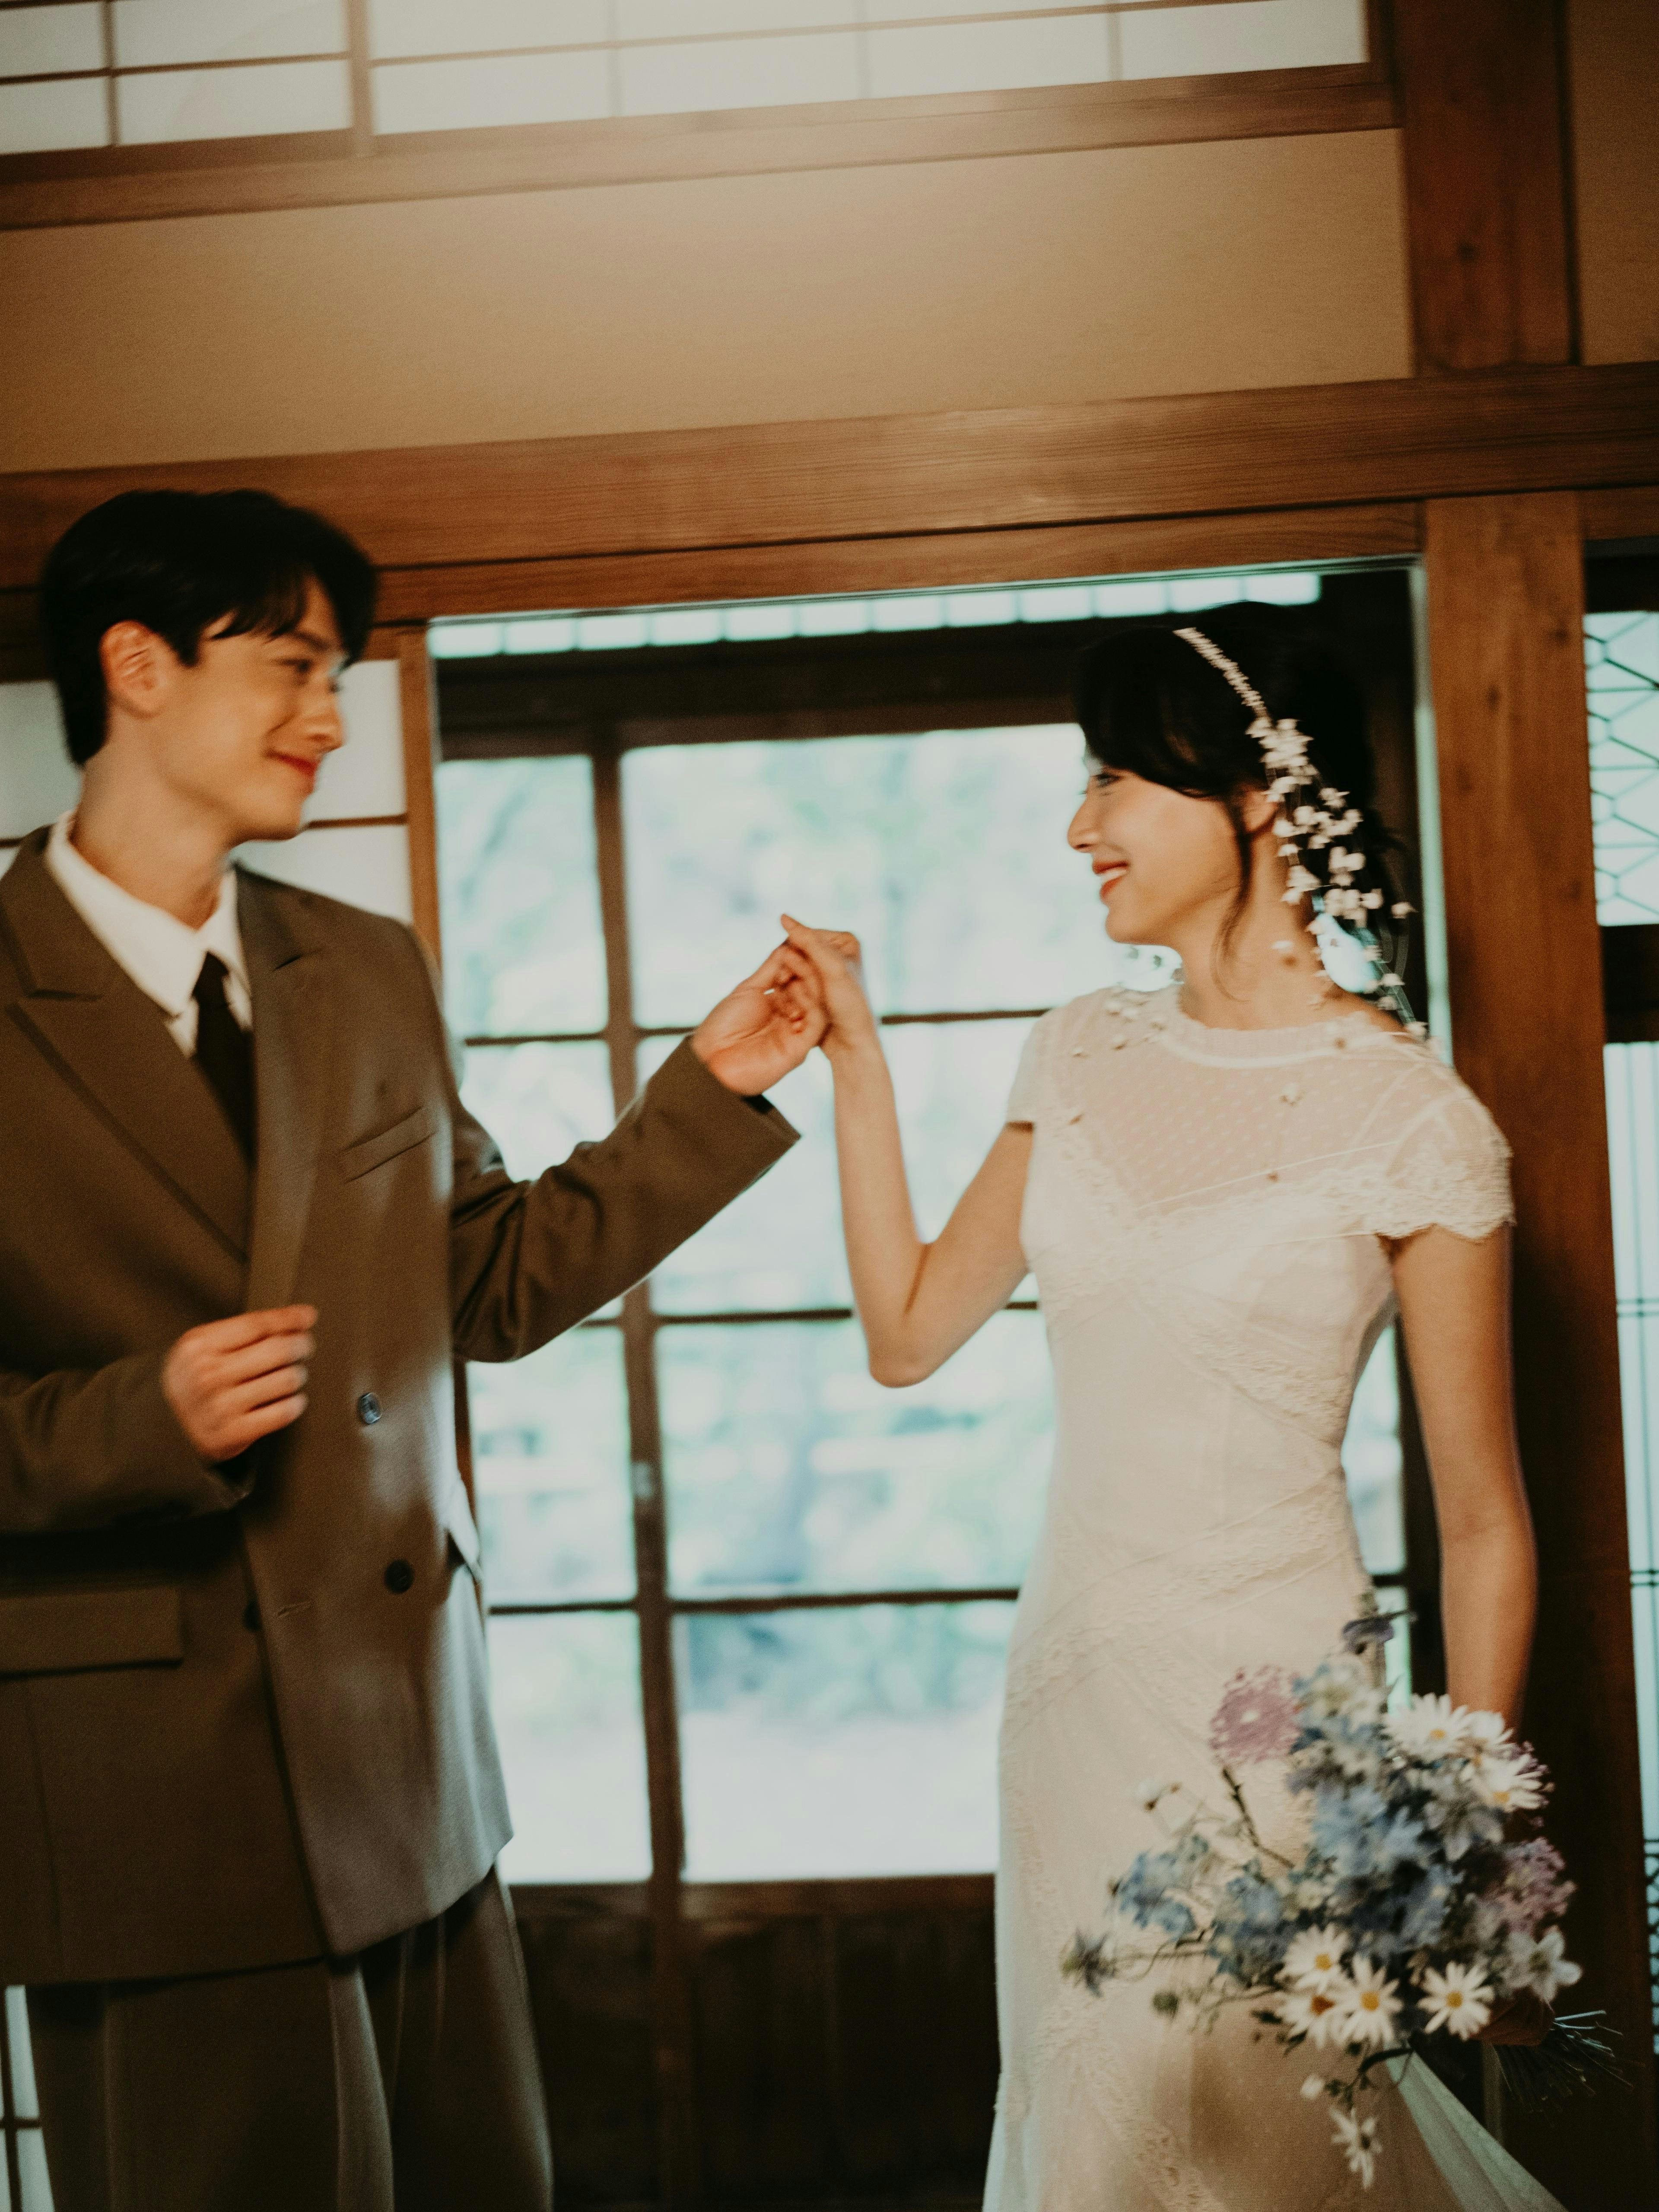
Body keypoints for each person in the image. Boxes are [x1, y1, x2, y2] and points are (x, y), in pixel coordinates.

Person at [0, 488, 821, 2212]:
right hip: (155, 1789)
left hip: (410, 1758)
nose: (331, 715)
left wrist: (707, 1094)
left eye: (342, 675)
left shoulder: (363, 968)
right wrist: (138, 1420)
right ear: (137, 666)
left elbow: (487, 1282)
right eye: (294, 667)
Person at [780, 608, 1566, 2209]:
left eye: (1115, 779)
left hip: (1275, 1723)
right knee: (1092, 2128)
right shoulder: (1077, 1053)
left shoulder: (1413, 1120)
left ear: (1260, 796)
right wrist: (856, 1062)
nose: (1081, 826)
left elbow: (1485, 1520)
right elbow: (909, 1334)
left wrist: (1463, 1824)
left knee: (1275, 2145)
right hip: (1071, 1694)